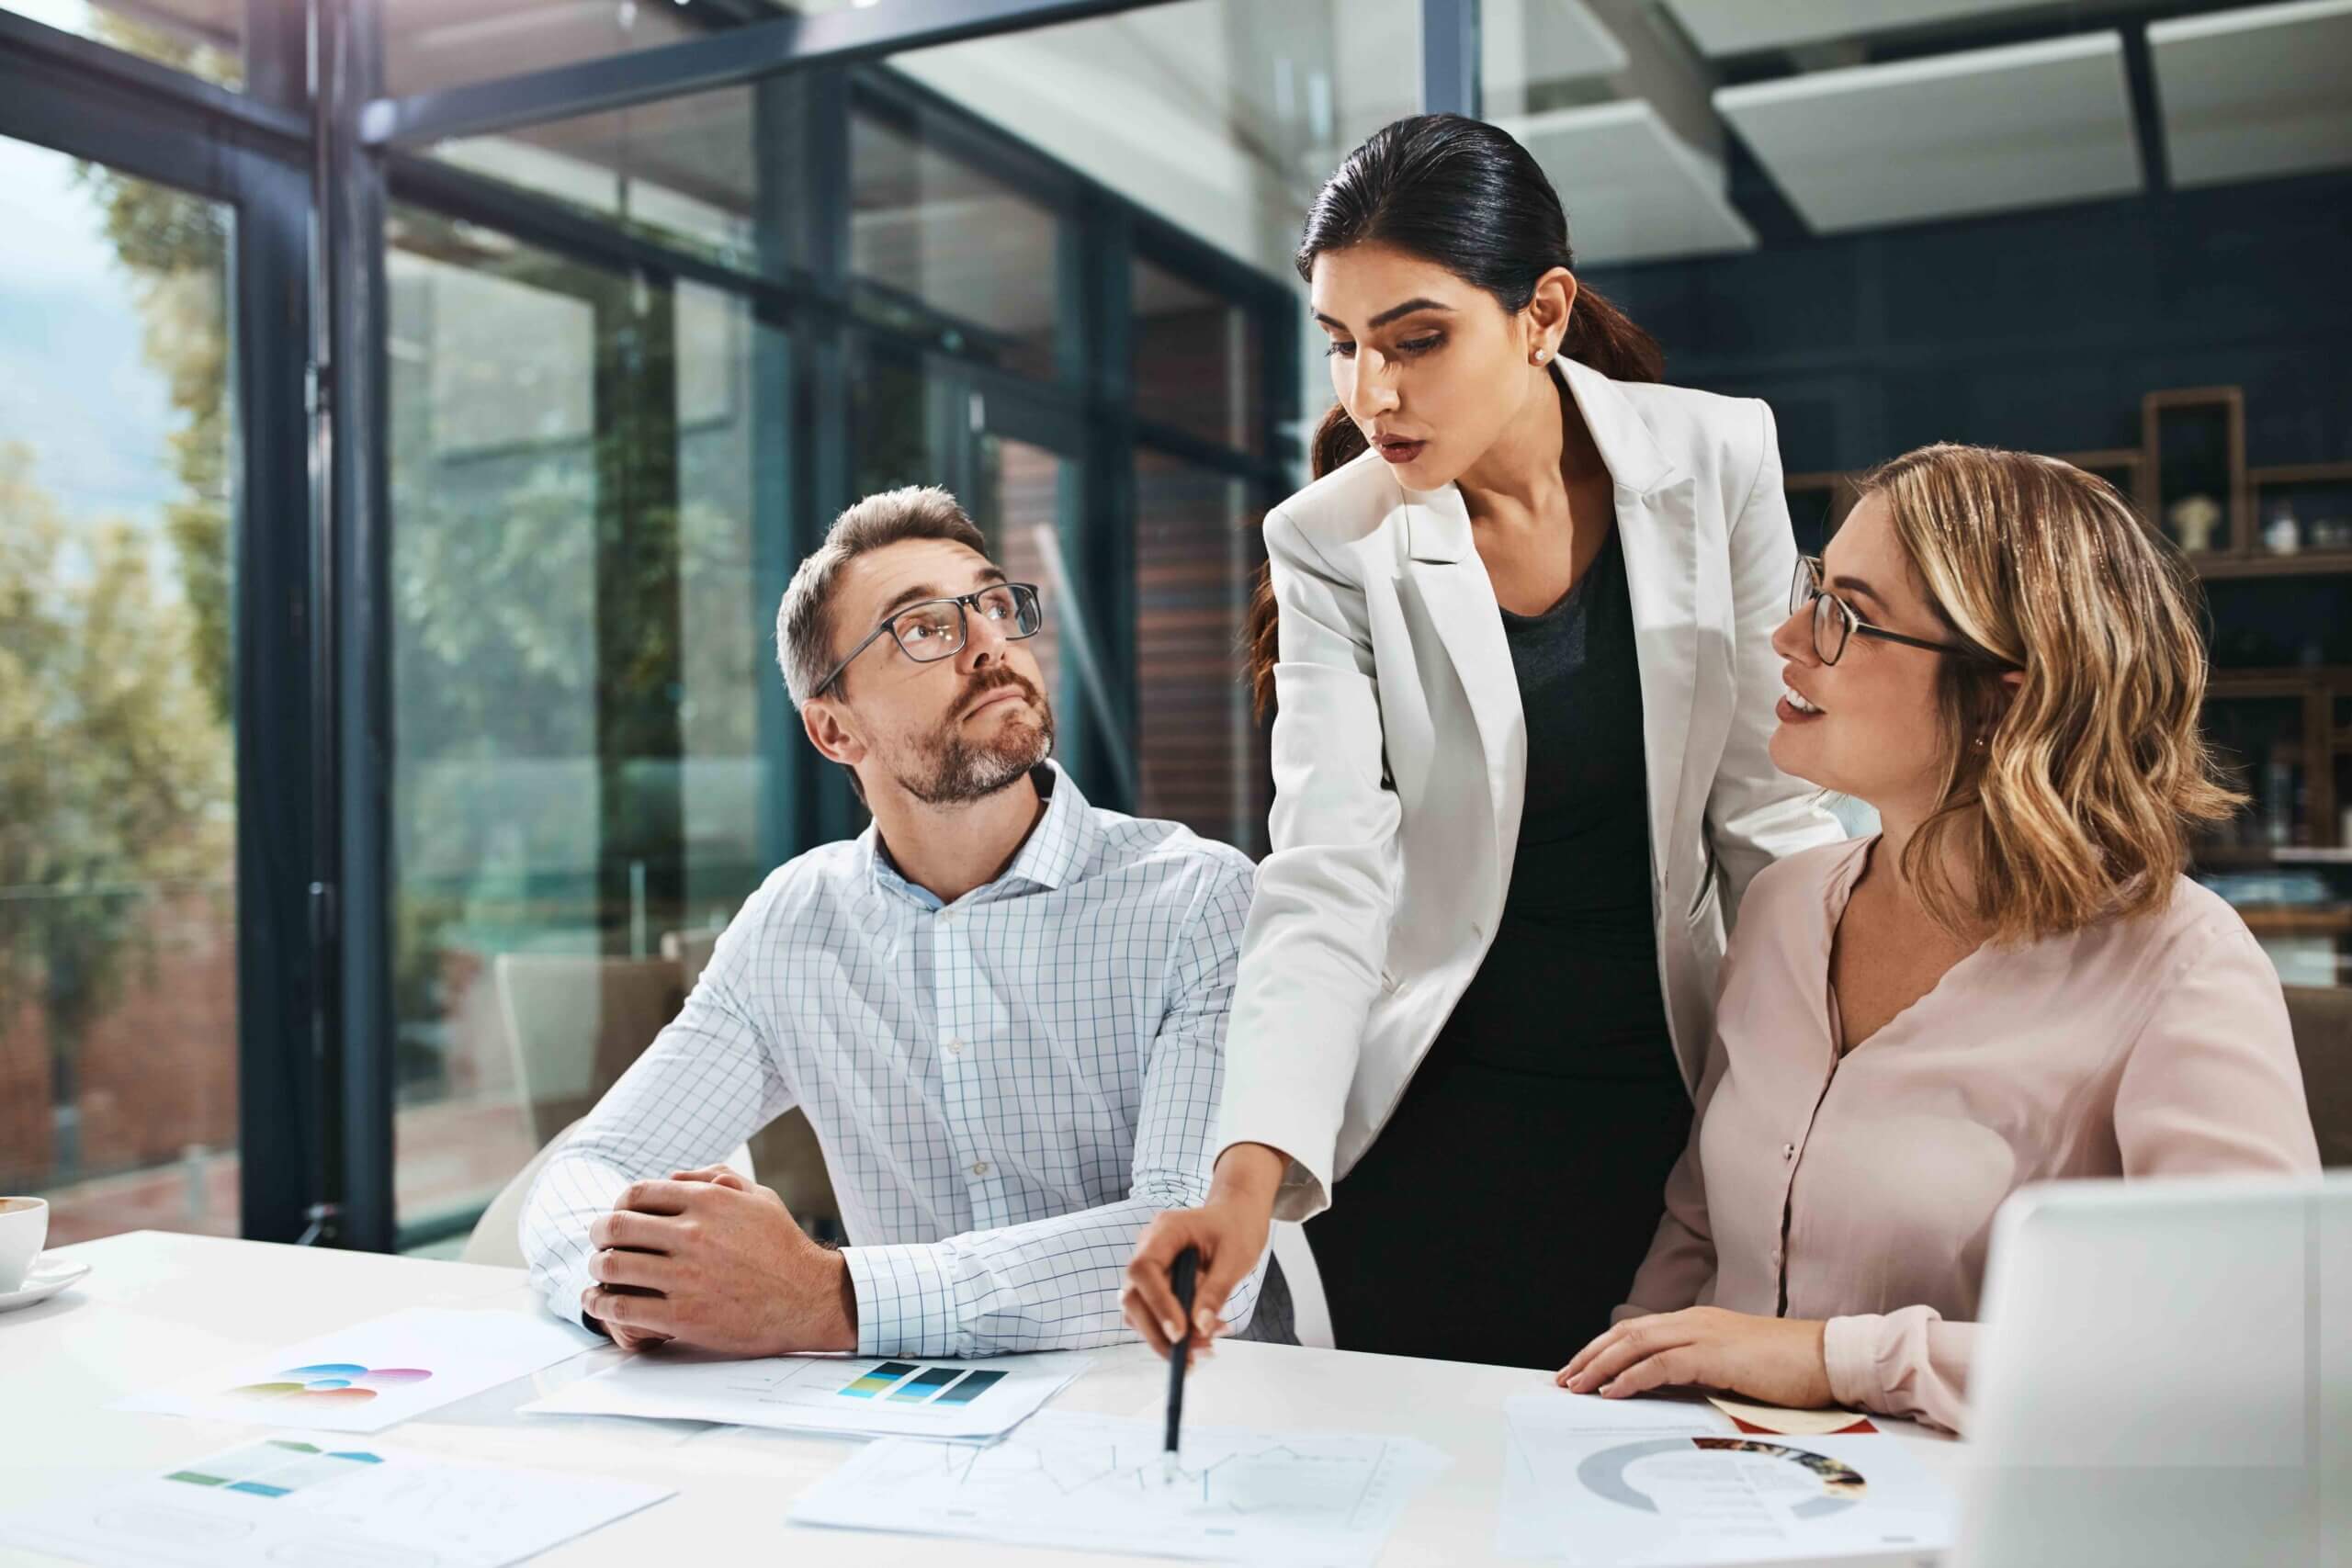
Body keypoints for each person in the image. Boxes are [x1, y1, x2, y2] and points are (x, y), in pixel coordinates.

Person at [1123, 114, 1843, 1370]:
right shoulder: (1327, 543)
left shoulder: (1717, 459)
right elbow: (1325, 879)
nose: (1374, 393)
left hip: (1670, 1114)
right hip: (1434, 1131)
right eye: (1343, 346)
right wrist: (1245, 1174)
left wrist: (1829, 1083)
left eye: (1417, 340)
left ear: (1543, 312)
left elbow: (1768, 816)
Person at [1557, 444, 2322, 1433]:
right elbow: (1700, 1231)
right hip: (1707, 1492)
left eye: (1847, 614)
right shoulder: (1784, 907)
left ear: (2004, 692)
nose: (1789, 635)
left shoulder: (2179, 962)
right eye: (1812, 589)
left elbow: (2254, 1348)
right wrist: (1614, 1394)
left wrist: (1841, 1360)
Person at [521, 485, 1286, 1359]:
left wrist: (832, 1297)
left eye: (996, 607)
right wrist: (629, 1288)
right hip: (911, 1434)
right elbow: (591, 1166)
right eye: (926, 627)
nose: (991, 645)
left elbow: (1197, 1250)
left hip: (1187, 1410)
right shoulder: (797, 922)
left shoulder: (1199, 900)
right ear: (833, 729)